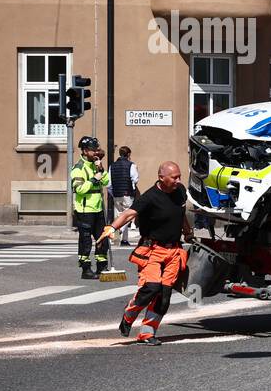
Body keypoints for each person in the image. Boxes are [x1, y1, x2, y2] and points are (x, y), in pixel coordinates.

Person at [97, 161, 193, 346]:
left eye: (179, 176)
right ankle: (129, 314)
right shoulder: (150, 197)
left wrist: (188, 232)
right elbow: (128, 214)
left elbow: (180, 214)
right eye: (174, 177)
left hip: (174, 250)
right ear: (161, 178)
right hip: (152, 250)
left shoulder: (180, 191)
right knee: (151, 288)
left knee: (164, 296)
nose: (178, 180)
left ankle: (148, 333)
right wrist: (112, 228)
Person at [71, 136, 111, 279]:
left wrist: (101, 169)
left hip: (98, 208)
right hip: (84, 210)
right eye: (93, 150)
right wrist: (94, 179)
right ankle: (86, 269)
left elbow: (106, 181)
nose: (96, 153)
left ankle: (102, 266)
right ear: (85, 151)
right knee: (86, 240)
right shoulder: (78, 168)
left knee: (102, 238)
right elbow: (79, 188)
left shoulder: (95, 165)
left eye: (96, 150)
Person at [109, 146, 140, 246]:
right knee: (129, 216)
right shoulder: (131, 165)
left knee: (119, 216)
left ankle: (124, 240)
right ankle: (118, 230)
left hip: (116, 194)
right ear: (128, 154)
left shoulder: (112, 166)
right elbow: (135, 179)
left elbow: (109, 183)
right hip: (127, 193)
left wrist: (112, 193)